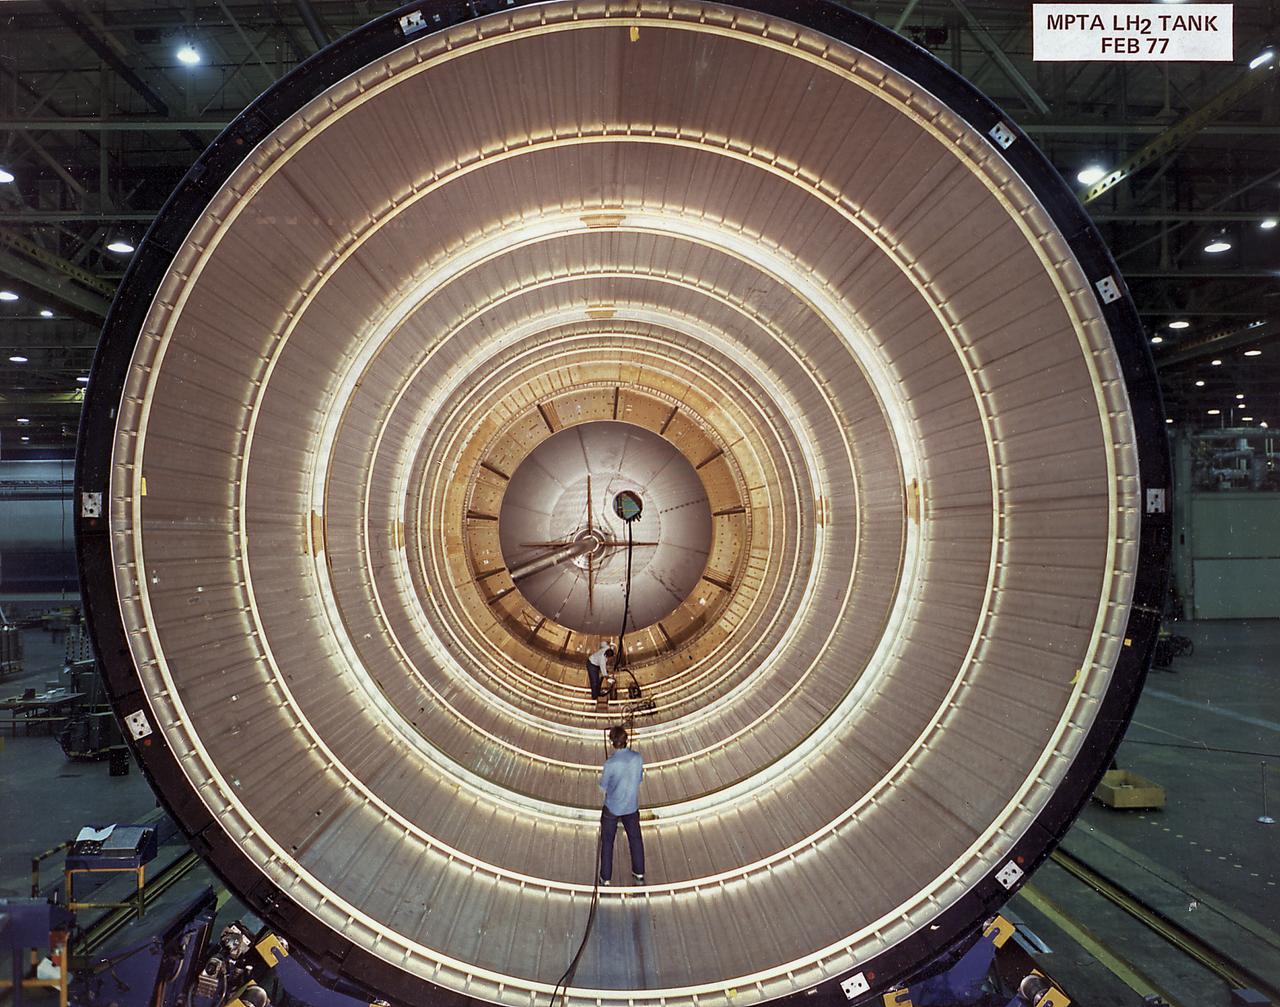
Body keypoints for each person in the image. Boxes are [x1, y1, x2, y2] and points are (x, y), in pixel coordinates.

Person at [598, 724, 645, 884]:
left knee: (608, 841)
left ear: (612, 742)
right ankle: (639, 872)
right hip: (631, 806)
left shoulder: (610, 764)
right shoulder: (638, 758)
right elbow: (639, 779)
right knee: (635, 839)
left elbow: (603, 786)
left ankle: (606, 877)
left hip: (612, 807)